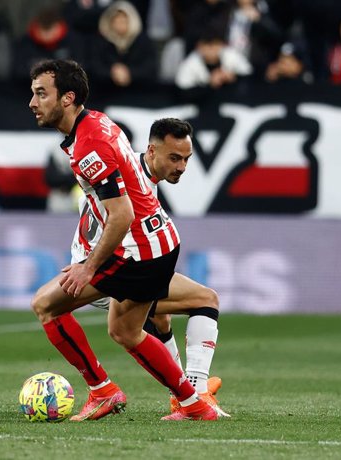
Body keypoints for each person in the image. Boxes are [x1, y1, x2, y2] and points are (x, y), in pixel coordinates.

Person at [29, 58, 219, 422]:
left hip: (137, 252)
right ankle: (193, 403)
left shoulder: (89, 146)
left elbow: (122, 215)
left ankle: (102, 390)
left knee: (47, 306)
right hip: (159, 244)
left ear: (67, 98)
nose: (33, 102)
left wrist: (88, 267)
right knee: (126, 330)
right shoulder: (97, 122)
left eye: (41, 94)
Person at [71, 118, 229, 417]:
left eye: (186, 159)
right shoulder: (134, 182)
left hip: (104, 265)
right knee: (206, 300)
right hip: (108, 272)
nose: (182, 166)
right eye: (174, 158)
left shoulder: (130, 170)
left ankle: (184, 396)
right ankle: (194, 394)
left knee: (162, 319)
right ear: (151, 152)